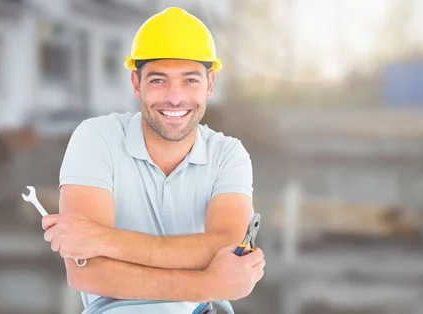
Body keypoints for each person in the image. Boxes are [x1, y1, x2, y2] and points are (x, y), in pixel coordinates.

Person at [40, 7, 265, 313]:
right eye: (159, 81)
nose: (174, 97)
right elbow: (86, 271)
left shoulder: (229, 155)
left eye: (190, 81)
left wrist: (105, 240)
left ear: (210, 84)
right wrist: (210, 284)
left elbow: (227, 248)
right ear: (136, 83)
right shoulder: (96, 139)